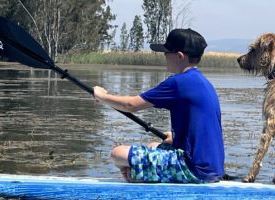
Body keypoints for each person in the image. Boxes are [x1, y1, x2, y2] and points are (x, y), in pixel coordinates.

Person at [93, 28, 224, 183]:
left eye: (167, 52)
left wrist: (102, 96)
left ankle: (138, 179)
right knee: (154, 145)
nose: (164, 56)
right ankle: (140, 177)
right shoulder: (203, 83)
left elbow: (131, 105)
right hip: (213, 168)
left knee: (117, 153)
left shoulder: (178, 82)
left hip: (193, 169)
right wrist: (176, 138)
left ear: (180, 56)